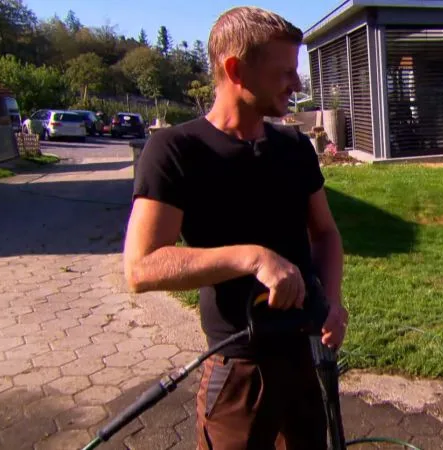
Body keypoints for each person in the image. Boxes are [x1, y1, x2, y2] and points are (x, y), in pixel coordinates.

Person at [122, 6, 348, 449]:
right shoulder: (176, 150)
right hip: (238, 370)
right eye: (285, 72)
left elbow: (325, 233)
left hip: (302, 358)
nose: (298, 84)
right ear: (236, 69)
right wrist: (253, 257)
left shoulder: (294, 147)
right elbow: (141, 267)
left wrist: (334, 303)